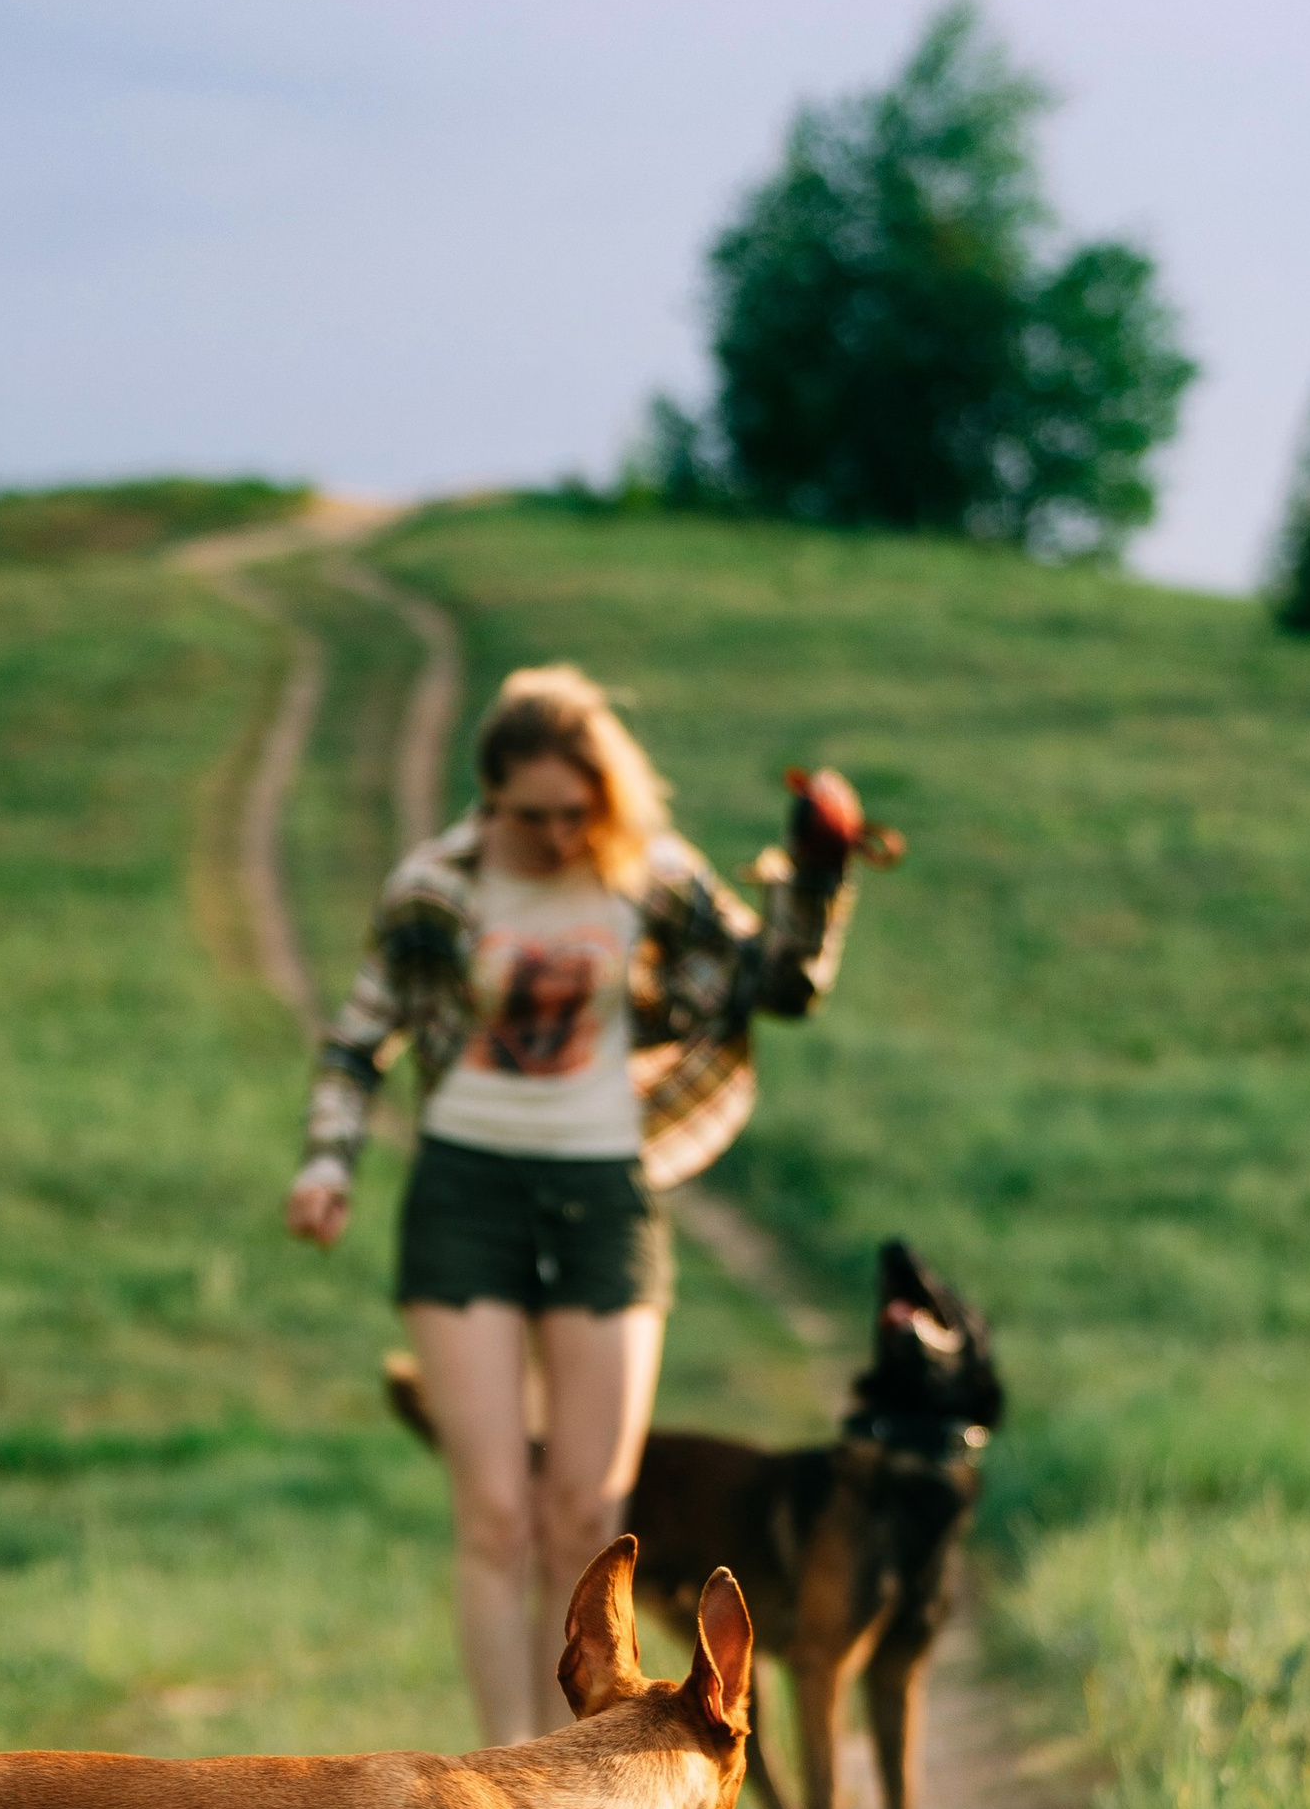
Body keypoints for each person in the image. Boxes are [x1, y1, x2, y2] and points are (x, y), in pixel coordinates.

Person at [285, 663, 883, 1742]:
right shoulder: (435, 884)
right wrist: (327, 1163)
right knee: (496, 1515)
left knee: (585, 1515)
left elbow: (777, 986)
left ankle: (573, 1774)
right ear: (489, 799)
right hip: (464, 1195)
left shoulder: (647, 872)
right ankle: (502, 1778)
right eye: (532, 816)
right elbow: (357, 1034)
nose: (559, 836)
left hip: (604, 1193)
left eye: (578, 812)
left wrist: (817, 872)